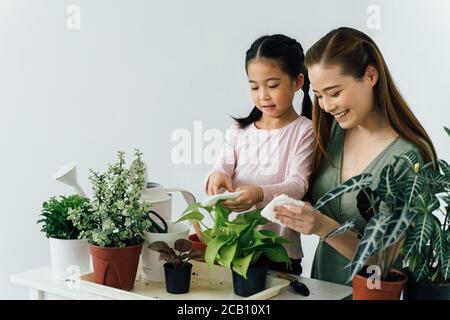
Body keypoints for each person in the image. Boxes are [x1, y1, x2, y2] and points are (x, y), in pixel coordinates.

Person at [274, 27, 437, 285]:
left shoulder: (407, 157)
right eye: (319, 95)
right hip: (322, 289)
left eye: (334, 92)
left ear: (370, 75)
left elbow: (384, 261)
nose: (326, 106)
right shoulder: (334, 131)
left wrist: (323, 227)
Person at [204, 34, 316, 275]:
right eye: (254, 86)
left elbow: (298, 185)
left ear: (297, 82)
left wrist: (259, 193)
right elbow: (222, 166)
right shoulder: (239, 130)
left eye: (272, 85)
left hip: (279, 251)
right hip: (235, 247)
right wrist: (217, 175)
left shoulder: (304, 130)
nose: (262, 95)